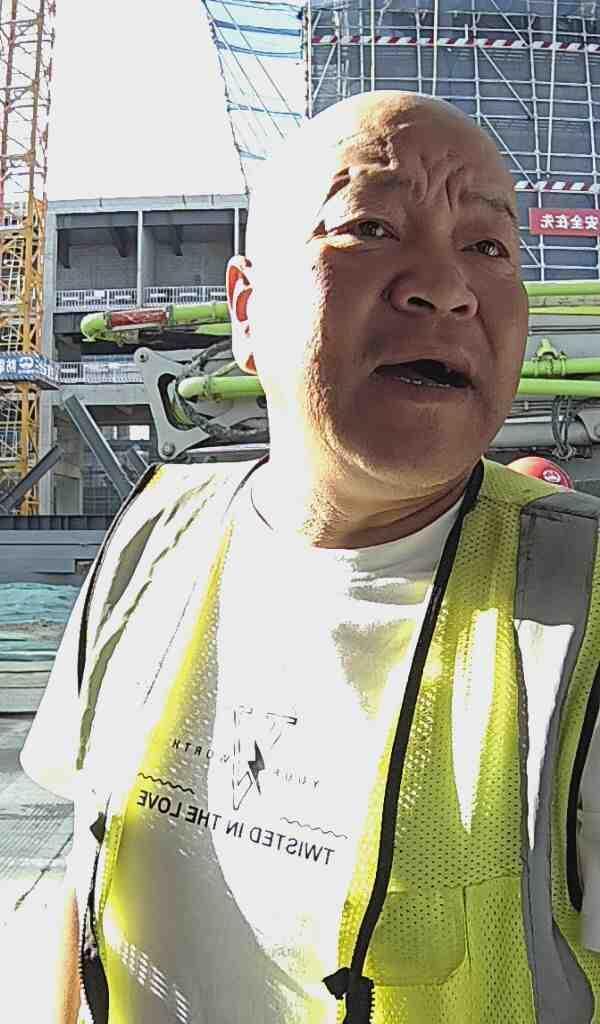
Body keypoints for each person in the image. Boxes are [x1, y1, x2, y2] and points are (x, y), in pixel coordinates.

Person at [20, 90, 600, 1024]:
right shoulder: (153, 533)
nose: (446, 287)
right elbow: (86, 871)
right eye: (370, 228)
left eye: (488, 247)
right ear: (247, 313)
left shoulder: (581, 613)